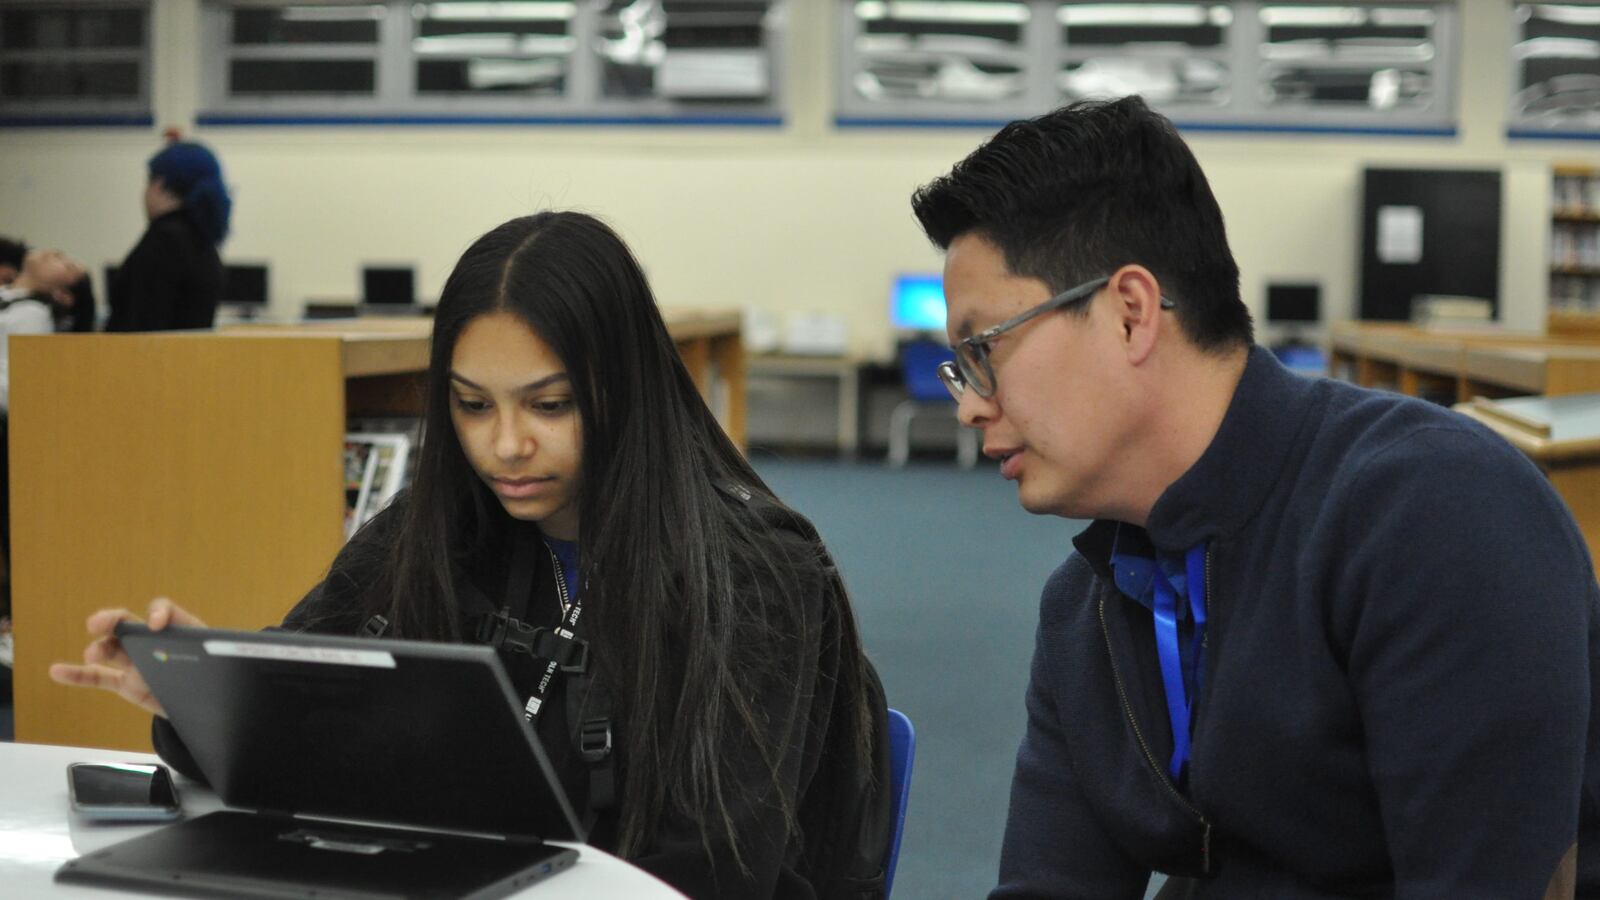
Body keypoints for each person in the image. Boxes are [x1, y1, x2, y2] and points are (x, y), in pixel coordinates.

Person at [51, 211, 890, 899]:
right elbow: (309, 742)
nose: (506, 446)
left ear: (625, 391)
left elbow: (712, 873)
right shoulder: (438, 526)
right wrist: (209, 694)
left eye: (550, 404)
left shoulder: (755, 572)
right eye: (471, 404)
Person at [910, 96, 1600, 898]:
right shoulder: (1088, 608)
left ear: (1131, 314)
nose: (967, 403)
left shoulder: (1438, 516)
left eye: (983, 350)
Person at [105, 140, 229, 332]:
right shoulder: (202, 240)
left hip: (148, 359)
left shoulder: (164, 240)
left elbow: (141, 323)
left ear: (159, 185)